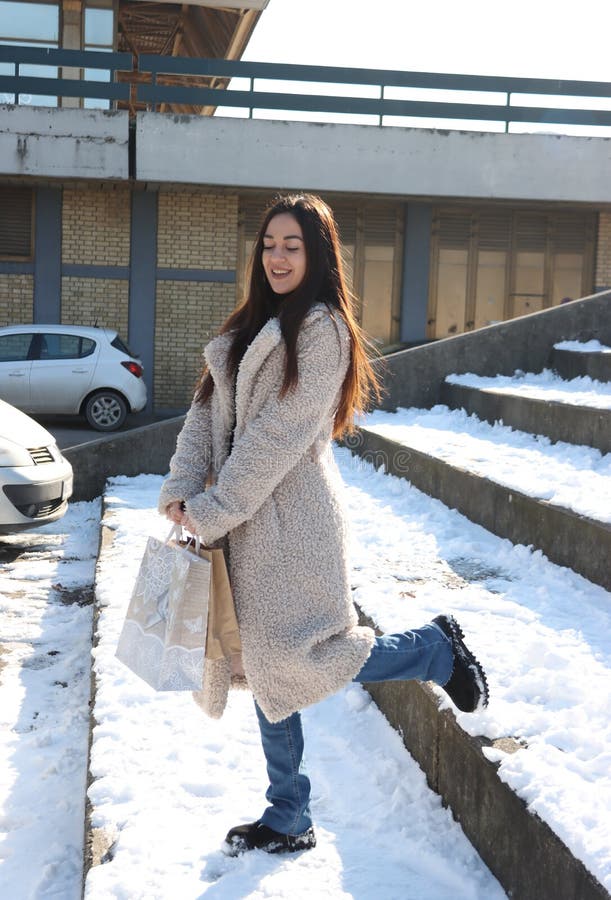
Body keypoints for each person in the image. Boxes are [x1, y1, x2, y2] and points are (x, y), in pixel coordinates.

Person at [159, 194, 489, 857]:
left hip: (291, 527)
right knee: (259, 667)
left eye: (292, 245)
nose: (277, 256)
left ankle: (431, 649)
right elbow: (205, 417)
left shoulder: (321, 329)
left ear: (317, 254)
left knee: (294, 658)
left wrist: (212, 507)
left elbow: (276, 437)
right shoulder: (247, 325)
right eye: (269, 244)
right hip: (237, 519)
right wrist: (179, 487)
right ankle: (286, 815)